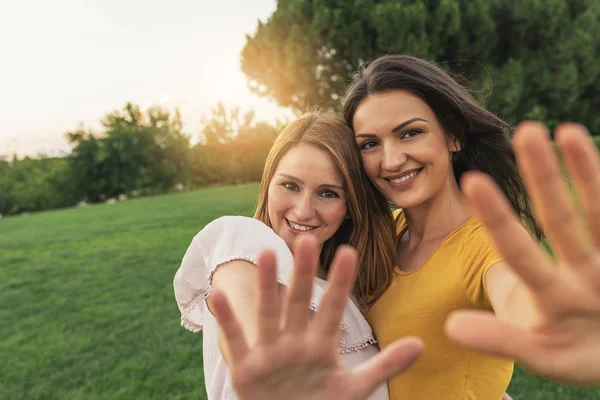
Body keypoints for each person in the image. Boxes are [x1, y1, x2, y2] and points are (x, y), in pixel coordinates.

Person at [207, 55, 600, 399]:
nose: (391, 160)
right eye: (369, 144)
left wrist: (551, 323)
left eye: (410, 133)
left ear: (453, 137)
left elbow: (517, 295)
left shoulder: (489, 243)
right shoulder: (382, 234)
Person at [173, 112, 424, 399]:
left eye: (328, 193)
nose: (304, 210)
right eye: (290, 186)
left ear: (351, 207)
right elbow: (241, 299)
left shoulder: (358, 289)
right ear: (268, 184)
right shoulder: (243, 242)